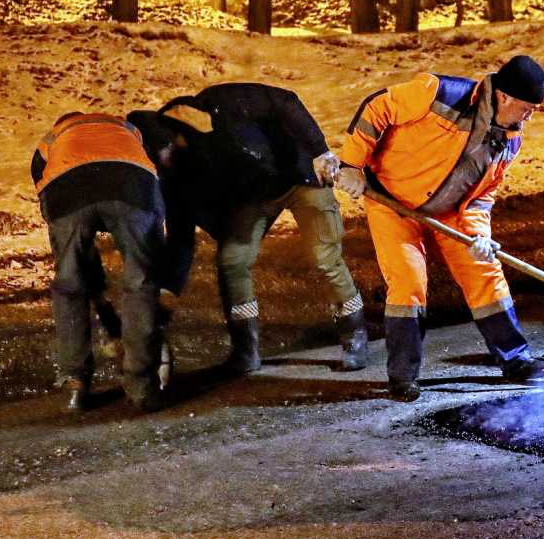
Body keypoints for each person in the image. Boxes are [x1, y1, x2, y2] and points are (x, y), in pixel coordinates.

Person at [337, 55, 544, 401]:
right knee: (408, 283)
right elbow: (377, 107)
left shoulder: (510, 140)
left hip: (451, 212)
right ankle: (403, 376)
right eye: (528, 108)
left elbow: (483, 195)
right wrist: (351, 164)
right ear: (505, 97)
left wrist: (479, 235)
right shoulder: (439, 94)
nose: (530, 116)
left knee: (484, 271)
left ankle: (516, 361)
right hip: (392, 201)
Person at [130, 82, 368, 378]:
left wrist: (320, 151)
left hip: (302, 176)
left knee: (324, 256)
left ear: (172, 135)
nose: (162, 162)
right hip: (256, 197)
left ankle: (354, 336)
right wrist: (168, 290)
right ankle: (246, 349)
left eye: (162, 152)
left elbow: (286, 101)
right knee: (232, 260)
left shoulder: (221, 101)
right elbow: (181, 239)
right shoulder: (179, 174)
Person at [32, 111, 169, 413]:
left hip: (67, 192)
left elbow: (45, 196)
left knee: (69, 287)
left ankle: (74, 385)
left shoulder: (52, 138)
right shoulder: (126, 128)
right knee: (141, 282)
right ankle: (141, 387)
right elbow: (154, 166)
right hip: (131, 186)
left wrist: (81, 268)